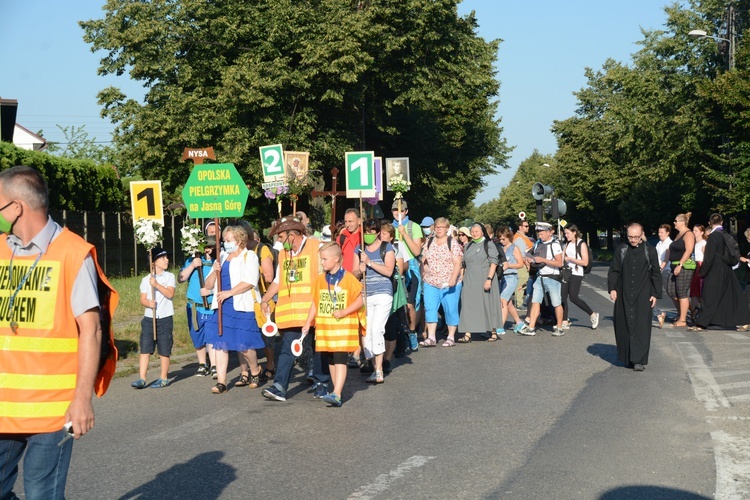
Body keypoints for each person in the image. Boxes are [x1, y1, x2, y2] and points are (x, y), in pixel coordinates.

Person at [0, 165, 118, 499]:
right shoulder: (0, 249)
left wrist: (82, 399)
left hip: (53, 411)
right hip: (4, 409)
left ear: (16, 207)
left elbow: (91, 330)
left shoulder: (72, 252)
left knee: (42, 494)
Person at [261, 216, 324, 402]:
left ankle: (321, 383)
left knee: (319, 348)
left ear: (292, 235)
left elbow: (324, 276)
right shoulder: (283, 254)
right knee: (287, 348)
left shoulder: (317, 247)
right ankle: (279, 387)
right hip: (293, 314)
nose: (278, 242)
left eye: (280, 237)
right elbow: (279, 281)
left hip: (315, 310)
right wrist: (265, 299)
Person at [203, 225, 264, 394]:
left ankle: (255, 370)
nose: (225, 243)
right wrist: (215, 272)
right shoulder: (221, 257)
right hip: (222, 307)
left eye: (228, 240)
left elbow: (250, 281)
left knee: (244, 345)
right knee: (221, 345)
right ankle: (221, 382)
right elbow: (208, 285)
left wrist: (230, 292)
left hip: (241, 305)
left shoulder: (249, 256)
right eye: (224, 240)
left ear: (239, 240)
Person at [301, 243, 365, 406]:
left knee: (339, 359)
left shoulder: (349, 278)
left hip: (342, 329)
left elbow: (359, 301)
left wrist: (344, 312)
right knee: (330, 359)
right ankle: (336, 390)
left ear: (336, 259)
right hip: (326, 329)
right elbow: (315, 302)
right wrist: (308, 322)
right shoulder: (321, 279)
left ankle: (337, 392)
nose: (322, 262)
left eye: (324, 259)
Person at [607, 223, 661, 371]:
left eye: (636, 237)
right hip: (623, 292)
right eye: (630, 237)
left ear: (641, 235)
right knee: (623, 325)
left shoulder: (650, 251)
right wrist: (612, 288)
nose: (633, 240)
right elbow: (614, 270)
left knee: (641, 326)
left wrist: (655, 294)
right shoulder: (622, 250)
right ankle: (627, 357)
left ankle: (639, 360)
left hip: (643, 293)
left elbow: (655, 272)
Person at [693, 214, 750, 332]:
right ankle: (744, 321)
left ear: (709, 223)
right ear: (722, 222)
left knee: (709, 296)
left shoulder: (713, 236)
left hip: (715, 270)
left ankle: (702, 323)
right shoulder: (725, 234)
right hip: (727, 269)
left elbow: (709, 257)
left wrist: (702, 271)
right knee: (733, 295)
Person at [357, 219, 395, 383]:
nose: (369, 234)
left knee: (377, 329)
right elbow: (354, 274)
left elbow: (388, 271)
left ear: (378, 232)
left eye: (372, 231)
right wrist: (359, 270)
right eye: (366, 231)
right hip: (366, 294)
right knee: (368, 332)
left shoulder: (387, 248)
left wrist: (370, 263)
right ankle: (373, 367)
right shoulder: (361, 250)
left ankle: (379, 370)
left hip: (383, 293)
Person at [132, 246, 176, 389]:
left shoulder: (170, 276)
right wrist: (148, 303)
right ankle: (142, 378)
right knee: (145, 347)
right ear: (154, 262)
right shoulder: (146, 280)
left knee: (164, 348)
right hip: (149, 318)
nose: (167, 260)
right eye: (163, 258)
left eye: (166, 257)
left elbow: (170, 294)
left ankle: (163, 378)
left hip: (164, 317)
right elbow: (142, 299)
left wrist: (157, 285)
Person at [177, 224, 216, 377]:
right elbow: (181, 278)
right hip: (195, 306)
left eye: (211, 247)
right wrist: (193, 265)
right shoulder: (192, 260)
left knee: (212, 336)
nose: (208, 250)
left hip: (211, 304)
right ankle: (202, 364)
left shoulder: (217, 261)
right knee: (197, 334)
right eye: (206, 246)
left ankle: (214, 364)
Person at [419, 217, 462, 346]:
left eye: (441, 227)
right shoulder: (429, 241)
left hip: (448, 282)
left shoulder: (452, 243)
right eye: (437, 227)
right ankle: (431, 337)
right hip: (431, 282)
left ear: (447, 229)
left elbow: (457, 262)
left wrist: (453, 278)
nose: (438, 229)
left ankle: (450, 337)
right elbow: (423, 258)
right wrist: (423, 272)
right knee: (430, 308)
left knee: (450, 309)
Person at [457, 223, 502, 342]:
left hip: (484, 277)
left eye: (477, 231)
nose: (474, 233)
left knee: (488, 303)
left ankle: (493, 331)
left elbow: (494, 262)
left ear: (482, 232)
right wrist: (462, 277)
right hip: (470, 278)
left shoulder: (489, 244)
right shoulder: (468, 245)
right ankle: (467, 333)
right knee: (468, 304)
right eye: (472, 231)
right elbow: (464, 264)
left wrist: (489, 279)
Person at [519, 222, 565, 336]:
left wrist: (542, 260)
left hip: (552, 277)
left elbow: (559, 263)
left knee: (556, 303)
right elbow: (533, 256)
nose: (540, 236)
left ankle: (559, 327)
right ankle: (531, 328)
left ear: (549, 232)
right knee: (535, 302)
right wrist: (531, 260)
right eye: (539, 233)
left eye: (542, 233)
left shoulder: (555, 245)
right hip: (540, 277)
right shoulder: (538, 243)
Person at [391, 199, 424, 350]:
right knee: (396, 306)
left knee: (410, 304)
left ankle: (412, 331)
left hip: (411, 268)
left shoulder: (414, 227)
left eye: (401, 211)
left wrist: (404, 233)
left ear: (406, 211)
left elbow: (417, 251)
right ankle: (398, 336)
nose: (398, 213)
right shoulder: (389, 227)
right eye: (395, 211)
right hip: (394, 268)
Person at [561, 224, 599, 330]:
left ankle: (592, 314)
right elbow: (563, 257)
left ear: (574, 232)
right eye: (565, 233)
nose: (566, 235)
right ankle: (564, 320)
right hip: (567, 272)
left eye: (568, 233)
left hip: (577, 272)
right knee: (562, 296)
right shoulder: (567, 244)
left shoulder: (581, 243)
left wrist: (571, 259)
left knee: (573, 297)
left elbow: (585, 262)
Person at [666, 212, 695, 328]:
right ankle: (692, 310)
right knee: (671, 291)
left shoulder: (688, 234)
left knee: (682, 293)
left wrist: (680, 264)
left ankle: (682, 320)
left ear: (682, 222)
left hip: (684, 267)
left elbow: (688, 250)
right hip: (674, 266)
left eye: (675, 221)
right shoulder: (678, 234)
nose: (674, 223)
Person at [497, 226, 525, 333]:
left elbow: (520, 264)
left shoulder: (514, 248)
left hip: (511, 277)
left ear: (509, 237)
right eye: (500, 239)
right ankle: (519, 322)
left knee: (503, 300)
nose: (502, 241)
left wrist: (509, 265)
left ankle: (500, 326)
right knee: (508, 303)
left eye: (504, 239)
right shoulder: (500, 248)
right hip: (502, 277)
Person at [654, 223, 673, 328]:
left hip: (666, 270)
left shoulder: (669, 243)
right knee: (653, 291)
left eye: (662, 232)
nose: (659, 234)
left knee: (671, 292)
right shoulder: (659, 243)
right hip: (658, 270)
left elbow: (667, 258)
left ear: (667, 233)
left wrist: (661, 267)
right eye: (659, 232)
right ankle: (658, 313)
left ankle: (689, 310)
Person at [512, 218, 534, 309]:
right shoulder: (519, 238)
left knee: (523, 281)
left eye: (528, 226)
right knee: (522, 281)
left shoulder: (522, 237)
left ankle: (519, 301)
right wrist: (527, 264)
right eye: (525, 226)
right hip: (522, 264)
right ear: (520, 227)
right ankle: (519, 303)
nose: (527, 228)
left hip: (522, 263)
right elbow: (522, 254)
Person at [689, 224, 708, 322]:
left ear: (702, 232)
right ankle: (694, 310)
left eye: (696, 231)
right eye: (693, 230)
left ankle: (700, 311)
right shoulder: (695, 243)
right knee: (694, 291)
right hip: (695, 267)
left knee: (699, 290)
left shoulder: (703, 243)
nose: (694, 232)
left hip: (701, 267)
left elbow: (706, 258)